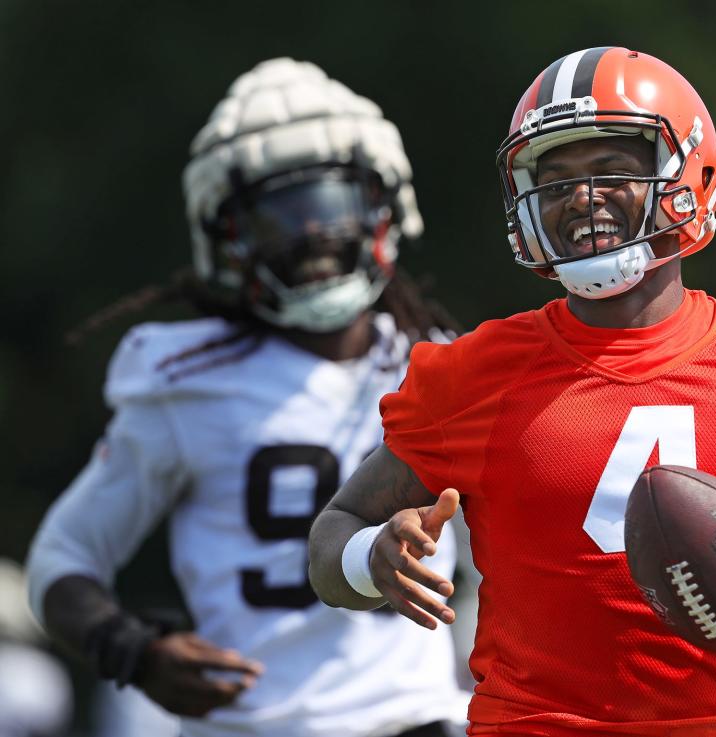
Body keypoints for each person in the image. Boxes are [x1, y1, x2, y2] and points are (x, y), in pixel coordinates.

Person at [308, 47, 716, 737]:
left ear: (686, 172)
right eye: (556, 177)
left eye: (611, 170)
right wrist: (371, 558)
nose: (580, 196)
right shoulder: (472, 376)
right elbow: (332, 539)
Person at [26, 57, 470, 737]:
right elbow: (63, 559)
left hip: (417, 717)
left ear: (383, 205)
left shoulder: (443, 365)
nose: (315, 235)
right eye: (280, 216)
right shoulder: (188, 381)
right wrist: (134, 650)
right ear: (229, 238)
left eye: (332, 204)